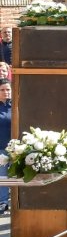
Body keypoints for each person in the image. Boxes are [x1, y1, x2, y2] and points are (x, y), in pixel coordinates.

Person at [0, 79, 11, 213]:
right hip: (1, 148)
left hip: (16, 149)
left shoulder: (16, 104)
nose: (5, 92)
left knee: (17, 175)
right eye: (2, 90)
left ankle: (17, 202)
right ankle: (3, 203)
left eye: (8, 89)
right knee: (2, 176)